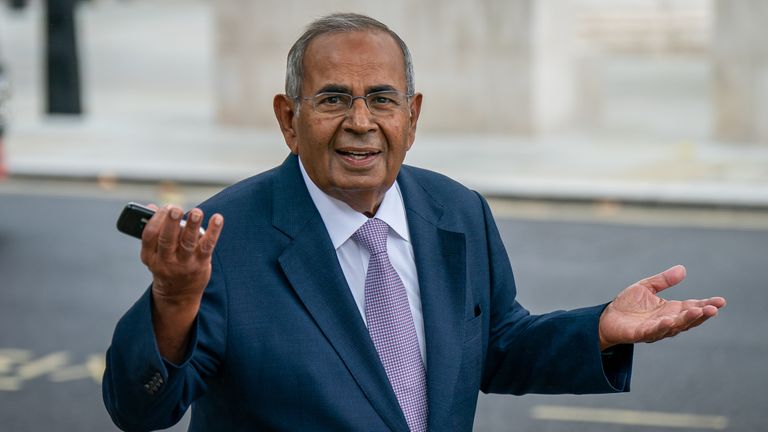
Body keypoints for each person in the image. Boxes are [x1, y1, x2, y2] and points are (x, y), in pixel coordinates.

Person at [102, 13, 726, 432]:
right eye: (333, 99)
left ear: (413, 114)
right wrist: (173, 300)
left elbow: (496, 349)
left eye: (381, 98)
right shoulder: (222, 237)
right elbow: (139, 407)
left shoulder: (458, 213)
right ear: (288, 119)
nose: (361, 121)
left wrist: (600, 330)